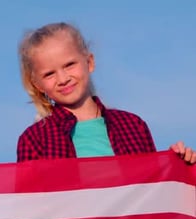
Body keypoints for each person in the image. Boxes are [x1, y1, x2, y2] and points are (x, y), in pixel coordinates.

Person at [16, 22, 195, 164]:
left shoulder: (133, 126)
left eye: (69, 65)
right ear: (38, 85)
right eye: (49, 74)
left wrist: (178, 167)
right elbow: (31, 203)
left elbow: (152, 189)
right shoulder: (34, 139)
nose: (62, 79)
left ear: (89, 62)